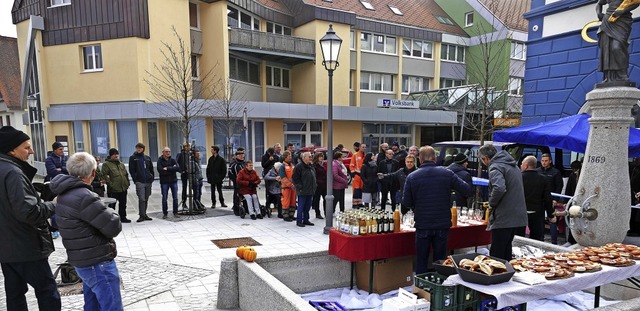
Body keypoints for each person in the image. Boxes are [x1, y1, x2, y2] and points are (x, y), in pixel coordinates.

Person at [49, 152, 123, 311]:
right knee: (112, 307)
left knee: (92, 305)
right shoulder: (84, 196)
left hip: (82, 260)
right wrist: (112, 212)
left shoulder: (63, 193)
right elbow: (113, 226)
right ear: (93, 173)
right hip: (97, 261)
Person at [0, 126, 61, 311]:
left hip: (6, 247)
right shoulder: (13, 172)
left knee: (15, 294)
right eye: (26, 147)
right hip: (25, 246)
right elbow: (28, 212)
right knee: (48, 291)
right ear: (12, 150)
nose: (31, 151)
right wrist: (54, 204)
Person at [403, 146, 472, 274]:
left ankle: (422, 287)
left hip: (423, 223)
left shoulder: (412, 177)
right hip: (442, 223)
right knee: (441, 261)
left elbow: (406, 202)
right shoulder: (447, 173)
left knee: (421, 260)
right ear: (435, 158)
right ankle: (439, 286)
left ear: (420, 159)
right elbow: (467, 190)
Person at [478, 144, 528, 260]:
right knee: (506, 249)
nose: (483, 163)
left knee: (497, 252)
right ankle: (506, 276)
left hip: (504, 216)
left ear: (486, 158)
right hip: (516, 214)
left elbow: (499, 188)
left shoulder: (495, 166)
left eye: (482, 160)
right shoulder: (512, 165)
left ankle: (497, 277)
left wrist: (491, 203)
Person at [596, 0, 638, 83]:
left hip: (622, 20)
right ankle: (608, 77)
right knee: (607, 48)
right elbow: (599, 3)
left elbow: (636, 2)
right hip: (608, 20)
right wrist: (599, 13)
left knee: (616, 47)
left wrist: (623, 11)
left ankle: (623, 73)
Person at [520, 155, 555, 242]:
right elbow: (547, 198)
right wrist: (551, 214)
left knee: (518, 238)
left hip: (520, 212)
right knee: (536, 240)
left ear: (526, 165)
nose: (521, 166)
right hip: (537, 212)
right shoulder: (543, 179)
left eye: (522, 164)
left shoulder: (519, 177)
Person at [537, 153, 563, 245]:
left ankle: (554, 242)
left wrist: (555, 199)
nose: (544, 162)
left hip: (551, 200)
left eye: (546, 161)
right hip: (539, 200)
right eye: (542, 161)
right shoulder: (537, 171)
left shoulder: (555, 172)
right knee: (539, 220)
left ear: (550, 161)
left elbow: (559, 186)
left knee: (552, 219)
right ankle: (540, 240)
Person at [102, 148, 132, 223]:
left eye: (117, 154)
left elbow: (126, 174)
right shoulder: (106, 164)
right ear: (111, 155)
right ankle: (110, 219)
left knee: (123, 204)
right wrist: (111, 185)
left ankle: (123, 217)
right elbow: (105, 176)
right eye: (114, 154)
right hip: (113, 189)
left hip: (123, 188)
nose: (116, 155)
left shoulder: (121, 163)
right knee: (112, 205)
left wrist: (127, 183)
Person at [129, 142, 154, 222]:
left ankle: (144, 214)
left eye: (140, 148)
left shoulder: (147, 158)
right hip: (139, 181)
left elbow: (151, 169)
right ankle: (141, 215)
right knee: (141, 198)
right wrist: (135, 180)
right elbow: (132, 170)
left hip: (148, 181)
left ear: (143, 149)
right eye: (137, 148)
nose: (138, 149)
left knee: (146, 198)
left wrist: (151, 177)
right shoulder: (133, 158)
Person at [292, 151, 317, 227]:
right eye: (309, 157)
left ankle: (306, 220)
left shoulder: (311, 166)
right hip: (302, 190)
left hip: (310, 190)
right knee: (301, 206)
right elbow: (295, 178)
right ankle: (299, 221)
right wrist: (299, 187)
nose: (311, 158)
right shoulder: (299, 166)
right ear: (304, 158)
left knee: (307, 206)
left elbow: (314, 176)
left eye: (311, 156)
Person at [157, 147, 180, 219]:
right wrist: (172, 169)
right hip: (164, 182)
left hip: (173, 181)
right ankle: (165, 213)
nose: (168, 153)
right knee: (164, 198)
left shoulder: (173, 160)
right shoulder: (160, 161)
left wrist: (167, 168)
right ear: (163, 152)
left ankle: (175, 212)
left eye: (169, 151)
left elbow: (177, 168)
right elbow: (161, 171)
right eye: (166, 151)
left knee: (175, 198)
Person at [279, 151, 296, 222]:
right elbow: (283, 178)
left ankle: (291, 215)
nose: (290, 157)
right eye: (289, 156)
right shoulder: (282, 167)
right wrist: (290, 184)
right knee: (286, 202)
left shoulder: (292, 165)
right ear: (285, 157)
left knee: (293, 202)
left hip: (293, 187)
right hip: (286, 188)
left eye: (291, 156)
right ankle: (286, 216)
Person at [350, 142, 365, 208]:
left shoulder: (365, 155)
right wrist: (354, 174)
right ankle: (354, 204)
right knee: (356, 189)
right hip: (357, 175)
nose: (364, 148)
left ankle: (359, 202)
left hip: (362, 175)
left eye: (365, 147)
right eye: (363, 147)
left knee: (361, 189)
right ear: (359, 147)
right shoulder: (355, 155)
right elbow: (351, 165)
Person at [312, 152, 327, 219]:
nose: (322, 158)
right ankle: (317, 213)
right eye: (320, 156)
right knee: (317, 199)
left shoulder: (323, 164)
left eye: (322, 156)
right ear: (317, 157)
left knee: (326, 199)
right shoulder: (315, 165)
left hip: (324, 184)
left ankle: (326, 212)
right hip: (318, 185)